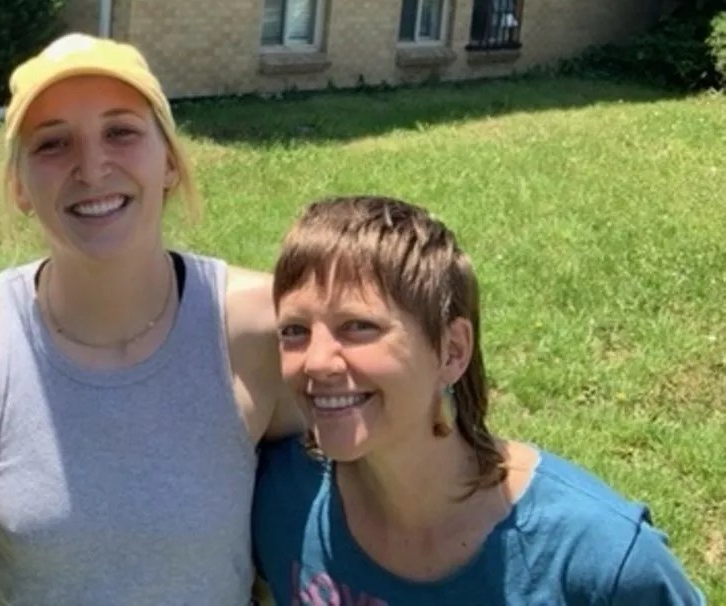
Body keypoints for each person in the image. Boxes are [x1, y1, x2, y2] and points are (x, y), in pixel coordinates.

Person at [0, 32, 301, 605]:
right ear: (19, 188)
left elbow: (360, 502)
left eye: (121, 132)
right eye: (52, 144)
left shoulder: (261, 326)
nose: (91, 167)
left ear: (170, 164)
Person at [254, 195, 705, 605]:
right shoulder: (279, 497)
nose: (316, 362)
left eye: (359, 327)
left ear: (452, 351)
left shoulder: (597, 560)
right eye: (295, 331)